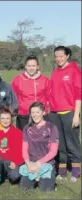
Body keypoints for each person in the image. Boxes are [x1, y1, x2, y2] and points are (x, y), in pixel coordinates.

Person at [48, 46, 81, 182]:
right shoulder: (55, 72)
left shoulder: (75, 71)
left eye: (61, 56)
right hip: (55, 113)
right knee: (60, 143)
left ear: (67, 56)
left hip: (69, 112)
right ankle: (62, 171)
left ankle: (75, 171)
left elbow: (79, 94)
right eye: (56, 56)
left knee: (71, 142)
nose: (58, 59)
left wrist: (76, 115)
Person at [19, 102, 59, 191]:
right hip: (31, 164)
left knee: (46, 189)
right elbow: (24, 149)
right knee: (24, 188)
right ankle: (36, 178)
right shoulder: (26, 128)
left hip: (46, 163)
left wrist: (38, 164)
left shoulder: (52, 127)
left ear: (43, 112)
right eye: (32, 112)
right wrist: (28, 163)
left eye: (37, 112)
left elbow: (53, 152)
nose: (35, 115)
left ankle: (45, 177)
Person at [12, 55, 50, 130]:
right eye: (29, 66)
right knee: (23, 138)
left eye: (33, 66)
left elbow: (49, 97)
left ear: (38, 67)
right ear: (25, 67)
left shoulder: (45, 80)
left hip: (40, 115)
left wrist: (46, 110)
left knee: (40, 139)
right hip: (23, 115)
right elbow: (13, 97)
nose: (31, 68)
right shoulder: (18, 79)